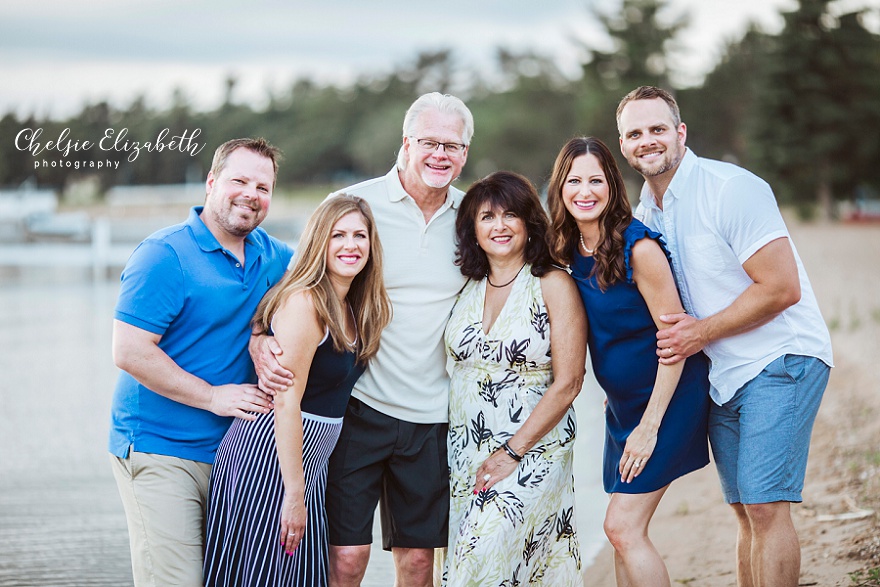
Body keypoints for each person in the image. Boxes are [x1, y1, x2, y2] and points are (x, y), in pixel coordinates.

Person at [252, 92, 474, 587]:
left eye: (453, 146)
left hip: (435, 418)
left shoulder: (473, 216)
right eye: (430, 142)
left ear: (465, 153)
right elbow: (296, 283)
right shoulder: (353, 206)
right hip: (360, 411)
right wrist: (259, 336)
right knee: (346, 560)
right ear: (406, 142)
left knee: (418, 564)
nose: (441, 154)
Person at [617, 86, 834, 587]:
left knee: (764, 505)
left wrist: (699, 334)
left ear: (680, 133)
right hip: (721, 374)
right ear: (624, 145)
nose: (647, 141)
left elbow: (782, 288)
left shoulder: (731, 188)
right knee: (742, 509)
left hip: (781, 357)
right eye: (634, 133)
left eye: (657, 129)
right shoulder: (645, 215)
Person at [108, 138, 293, 586]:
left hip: (236, 458)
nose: (251, 194)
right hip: (159, 448)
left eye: (262, 186)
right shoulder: (164, 255)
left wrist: (260, 334)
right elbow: (129, 351)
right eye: (239, 181)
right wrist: (211, 396)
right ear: (211, 183)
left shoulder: (276, 257)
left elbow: (328, 289)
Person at [203, 194, 392, 586]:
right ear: (319, 241)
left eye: (360, 235)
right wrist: (294, 494)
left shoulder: (354, 307)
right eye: (337, 235)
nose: (350, 245)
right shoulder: (306, 302)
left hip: (308, 466)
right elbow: (286, 402)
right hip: (269, 461)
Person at [547, 137, 710, 586]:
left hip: (668, 399)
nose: (585, 190)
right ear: (559, 187)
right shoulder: (570, 249)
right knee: (624, 535)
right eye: (574, 180)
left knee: (621, 526)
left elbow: (675, 342)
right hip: (621, 408)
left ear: (612, 185)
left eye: (595, 180)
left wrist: (649, 425)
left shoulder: (639, 249)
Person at [443, 171, 586, 586]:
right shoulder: (466, 286)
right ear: (472, 228)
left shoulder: (553, 282)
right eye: (487, 217)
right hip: (466, 449)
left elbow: (570, 381)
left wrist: (513, 451)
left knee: (482, 559)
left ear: (529, 223)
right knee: (495, 562)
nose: (499, 226)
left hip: (534, 447)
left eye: (510, 215)